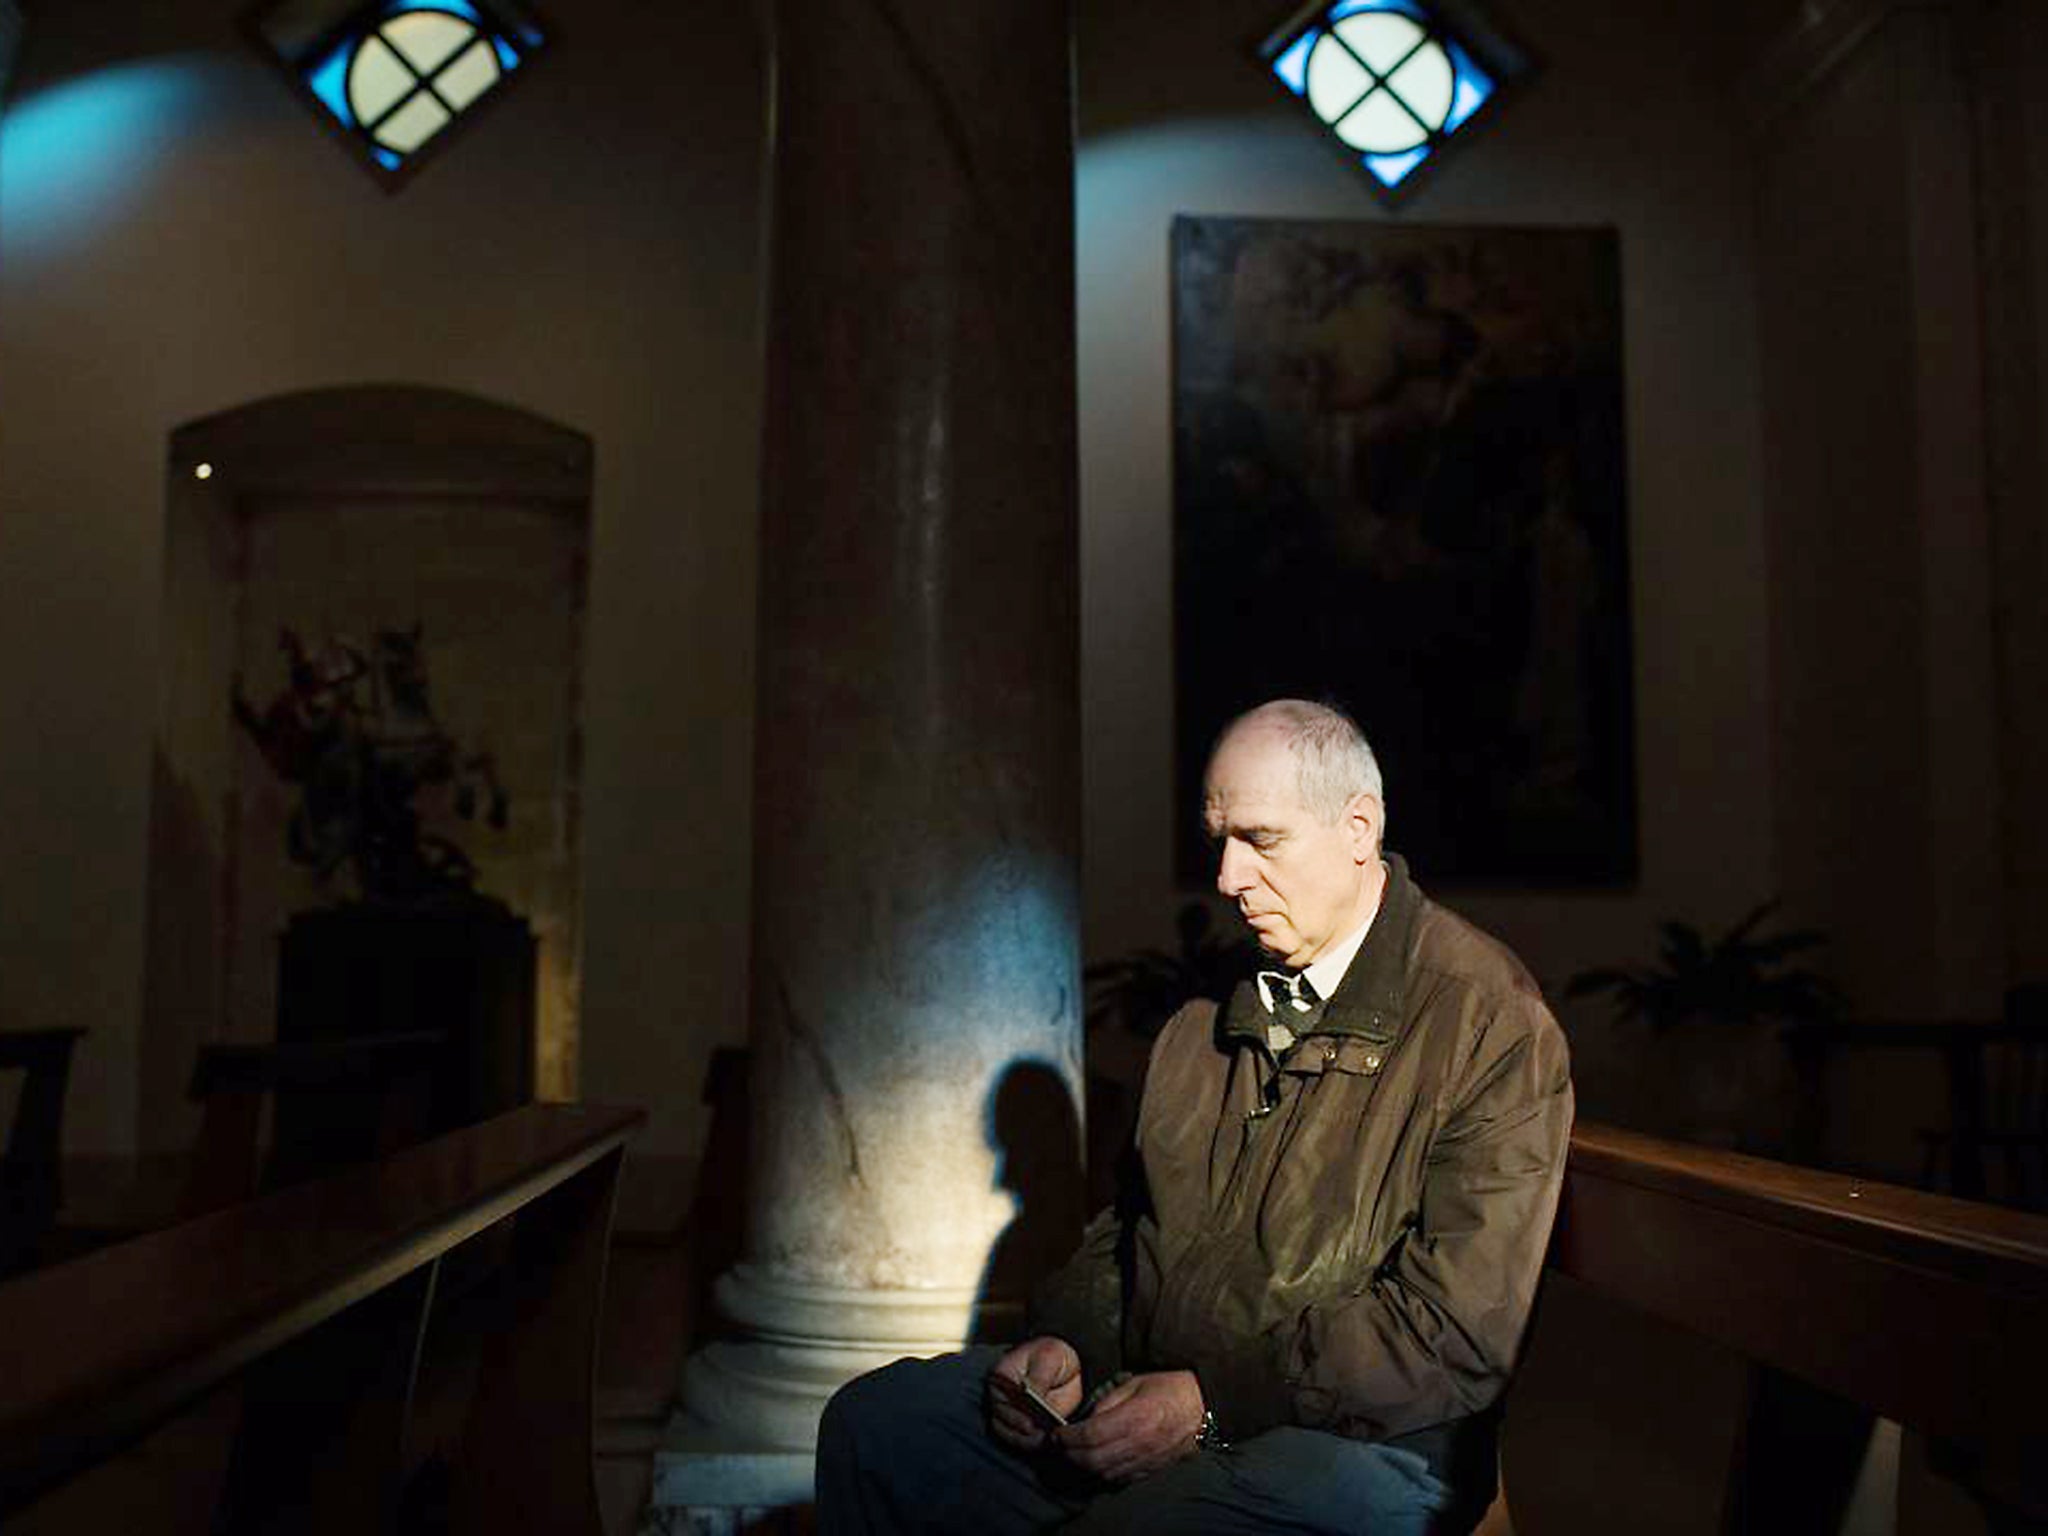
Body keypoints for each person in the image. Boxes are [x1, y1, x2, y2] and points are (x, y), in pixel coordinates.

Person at [817, 699, 1573, 1533]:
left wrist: (1212, 1403)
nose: (1227, 879)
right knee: (876, 1426)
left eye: (1261, 839)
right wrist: (1070, 1344)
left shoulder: (1486, 1020)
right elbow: (1132, 1231)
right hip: (1174, 1394)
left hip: (1375, 1445)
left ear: (1359, 829)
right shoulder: (1204, 1019)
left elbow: (1453, 1330)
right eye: (1220, 840)